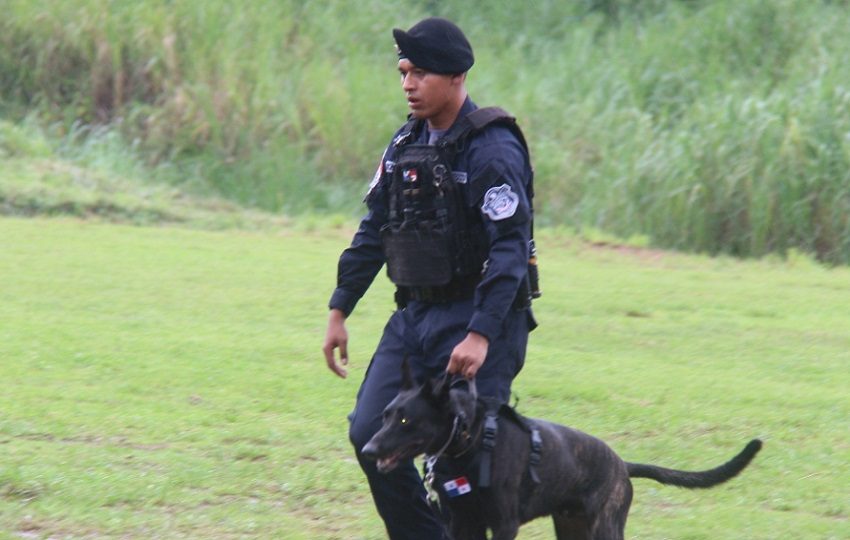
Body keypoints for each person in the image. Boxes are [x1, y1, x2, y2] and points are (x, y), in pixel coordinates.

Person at [322, 17, 536, 539]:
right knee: (372, 435)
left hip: (477, 320)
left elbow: (510, 249)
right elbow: (375, 229)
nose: (408, 84)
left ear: (457, 76)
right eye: (403, 72)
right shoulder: (405, 144)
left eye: (421, 73)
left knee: (467, 468)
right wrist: (339, 309)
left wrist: (481, 334)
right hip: (415, 316)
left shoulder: (491, 149)